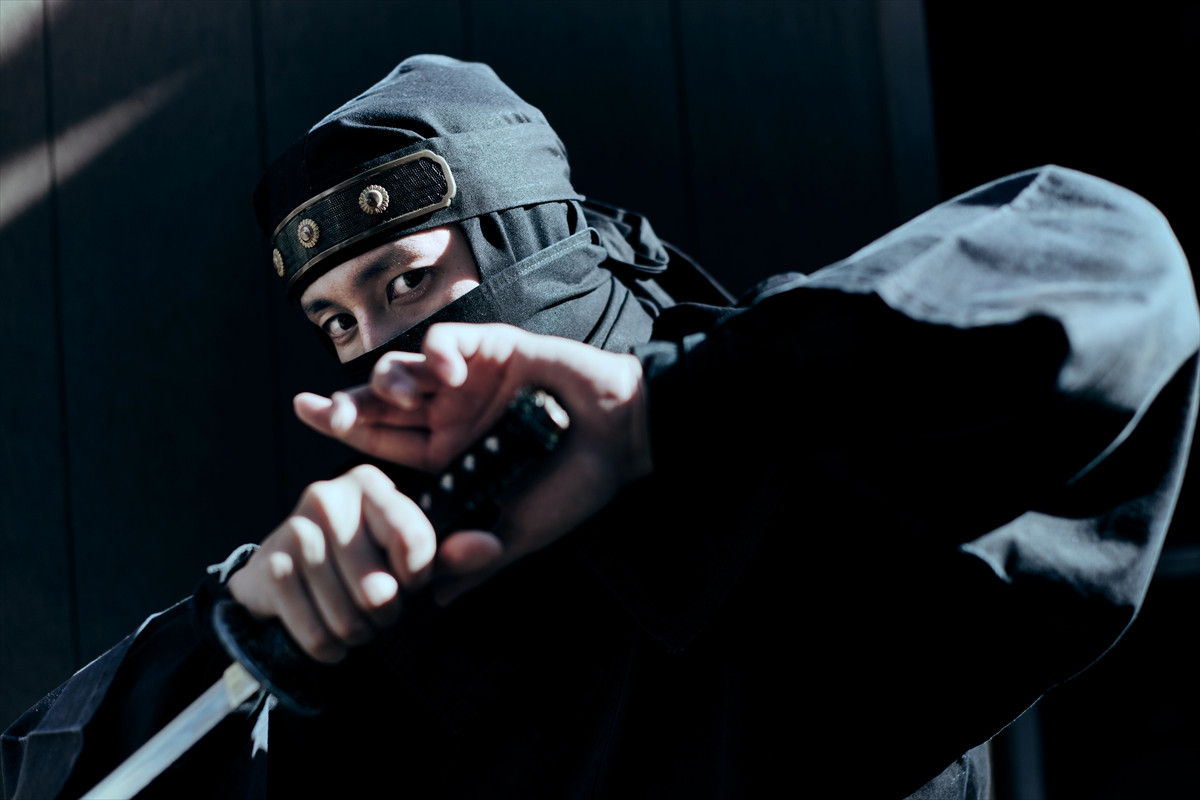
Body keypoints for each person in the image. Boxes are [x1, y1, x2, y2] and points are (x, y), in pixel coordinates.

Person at [3, 54, 1197, 800]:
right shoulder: (391, 610)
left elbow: (1108, 270)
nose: (381, 353)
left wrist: (660, 418)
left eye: (408, 281)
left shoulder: (794, 480)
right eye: (337, 323)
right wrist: (241, 637)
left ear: (540, 246)